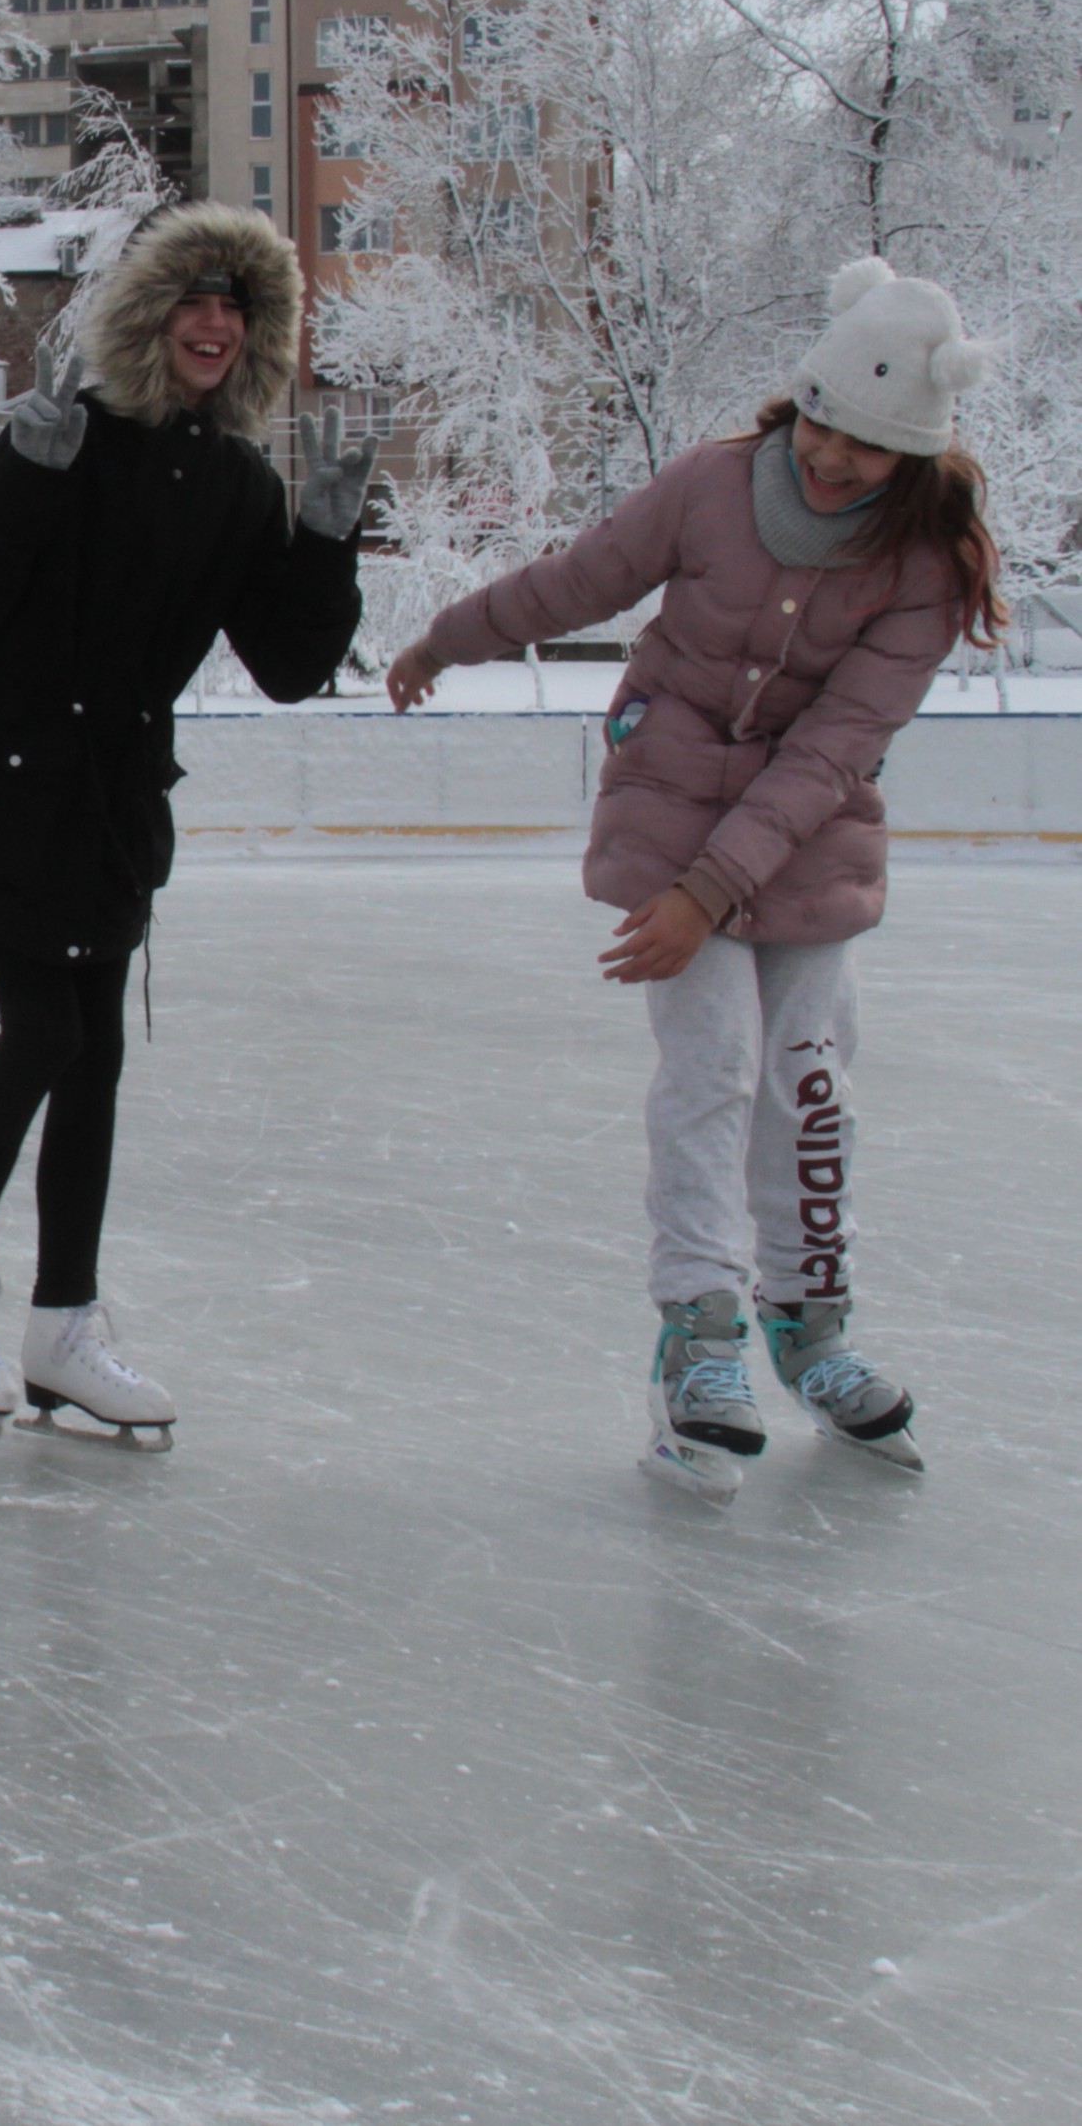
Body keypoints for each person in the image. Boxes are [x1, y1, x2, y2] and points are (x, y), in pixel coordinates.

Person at [387, 257, 999, 1499]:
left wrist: (712, 892)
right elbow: (576, 581)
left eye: (868, 445)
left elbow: (831, 749)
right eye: (821, 423)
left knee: (807, 1081)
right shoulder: (712, 485)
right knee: (712, 1066)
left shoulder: (926, 564)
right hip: (668, 802)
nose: (832, 458)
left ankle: (808, 1326)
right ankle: (700, 1334)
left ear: (915, 453)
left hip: (806, 833)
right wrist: (449, 637)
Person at [0, 201, 372, 1447]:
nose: (212, 326)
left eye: (234, 309)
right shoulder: (70, 438)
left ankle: (63, 1328)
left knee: (92, 1056)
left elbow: (288, 664)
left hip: (107, 804)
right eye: (190, 302)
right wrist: (22, 476)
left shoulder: (241, 485)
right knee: (45, 1030)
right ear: (148, 318)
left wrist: (324, 541)